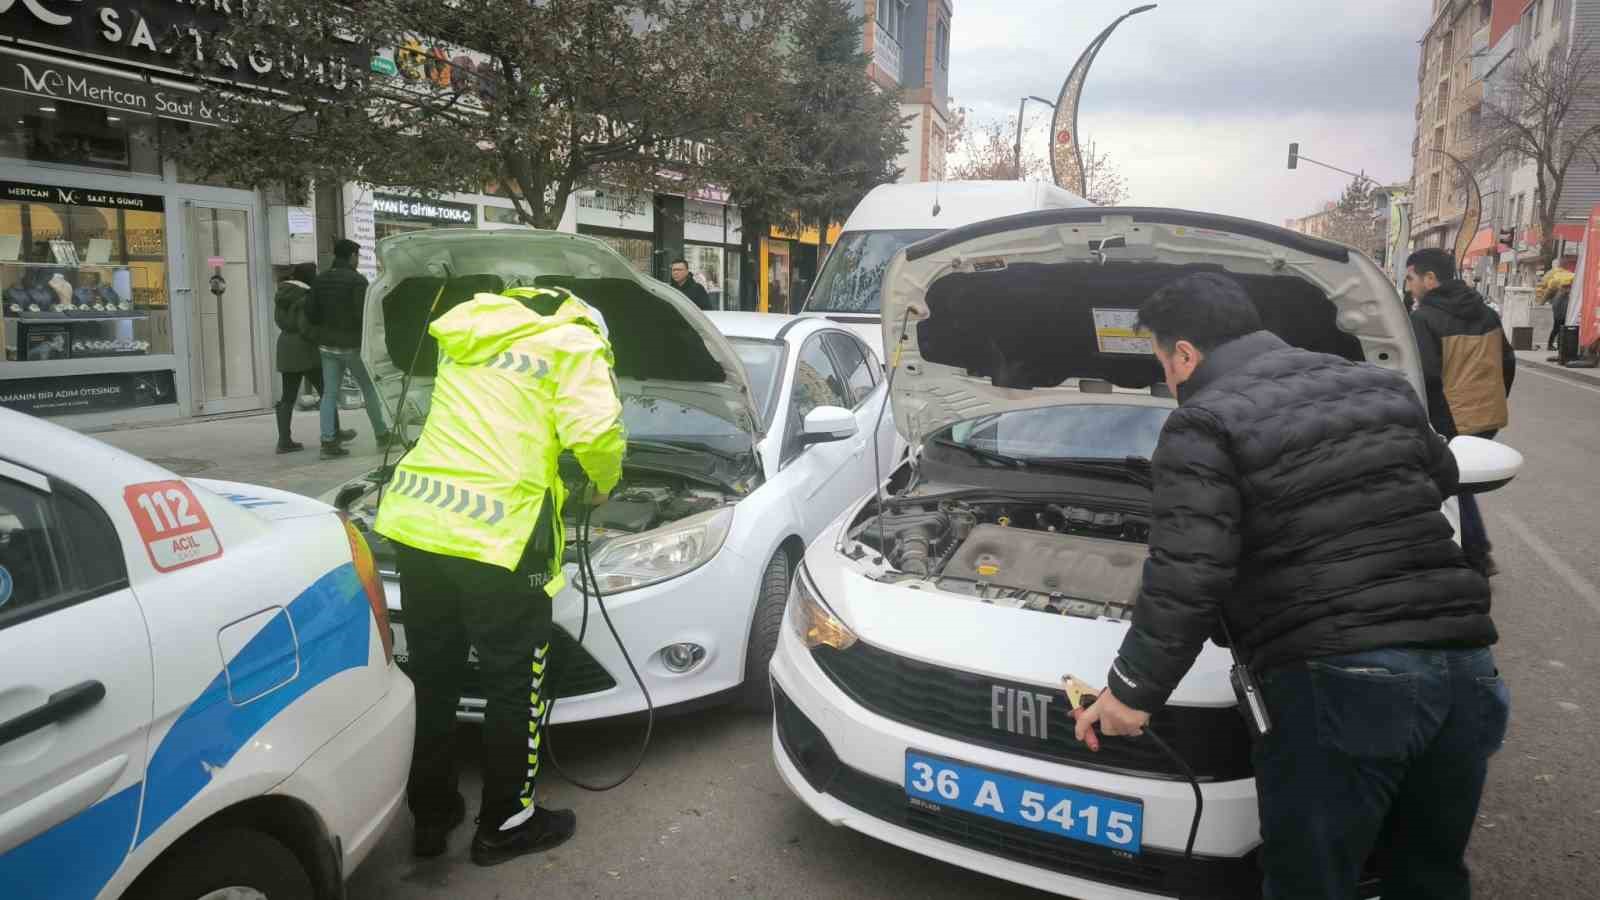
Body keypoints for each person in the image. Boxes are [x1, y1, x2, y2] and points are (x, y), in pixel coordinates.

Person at [1073, 272, 1506, 900]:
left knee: (1312, 881)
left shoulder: (1203, 423)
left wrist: (1130, 693)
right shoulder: (1383, 387)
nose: (1168, 380)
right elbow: (1436, 480)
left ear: (1187, 355)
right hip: (1468, 670)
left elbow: (1188, 574)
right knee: (1429, 874)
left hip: (1341, 685)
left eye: (1164, 362)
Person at [373, 285, 626, 867]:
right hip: (499, 536)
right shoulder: (575, 342)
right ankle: (507, 824)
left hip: (419, 520)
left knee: (432, 674)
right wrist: (604, 481)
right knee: (515, 682)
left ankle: (432, 816)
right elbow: (596, 432)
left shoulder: (469, 332)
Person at [1406, 248, 1515, 577]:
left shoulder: (1423, 319)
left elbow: (1425, 375)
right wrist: (1492, 399)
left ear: (1430, 278)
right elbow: (1507, 362)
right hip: (1485, 415)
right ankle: (1476, 552)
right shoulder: (1486, 313)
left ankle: (1475, 555)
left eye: (1411, 278)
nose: (1409, 286)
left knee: (1451, 482)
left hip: (1448, 418)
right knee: (1461, 482)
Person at [306, 238, 394, 459]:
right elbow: (362, 315)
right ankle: (382, 435)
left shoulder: (320, 280)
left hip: (327, 346)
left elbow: (311, 313)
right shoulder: (357, 281)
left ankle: (328, 443)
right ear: (352, 256)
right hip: (352, 346)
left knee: (329, 394)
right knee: (368, 388)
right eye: (358, 256)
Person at [272, 263, 353, 453]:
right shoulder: (305, 296)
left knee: (288, 395)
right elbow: (306, 326)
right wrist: (320, 337)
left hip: (285, 347)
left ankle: (284, 441)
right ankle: (334, 432)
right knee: (327, 391)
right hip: (306, 349)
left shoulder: (282, 293)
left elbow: (282, 321)